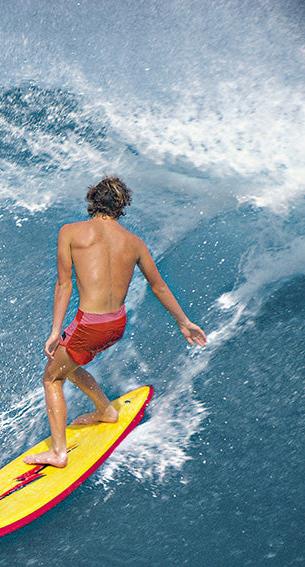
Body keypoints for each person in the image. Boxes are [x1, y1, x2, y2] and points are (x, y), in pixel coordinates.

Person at [24, 176, 207, 468]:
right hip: (116, 325)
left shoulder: (70, 232)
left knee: (51, 377)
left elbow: (63, 284)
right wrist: (184, 322)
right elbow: (158, 286)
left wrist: (56, 330)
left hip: (89, 326)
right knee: (69, 364)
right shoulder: (134, 243)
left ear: (93, 200)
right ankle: (106, 410)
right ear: (122, 207)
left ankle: (58, 453)